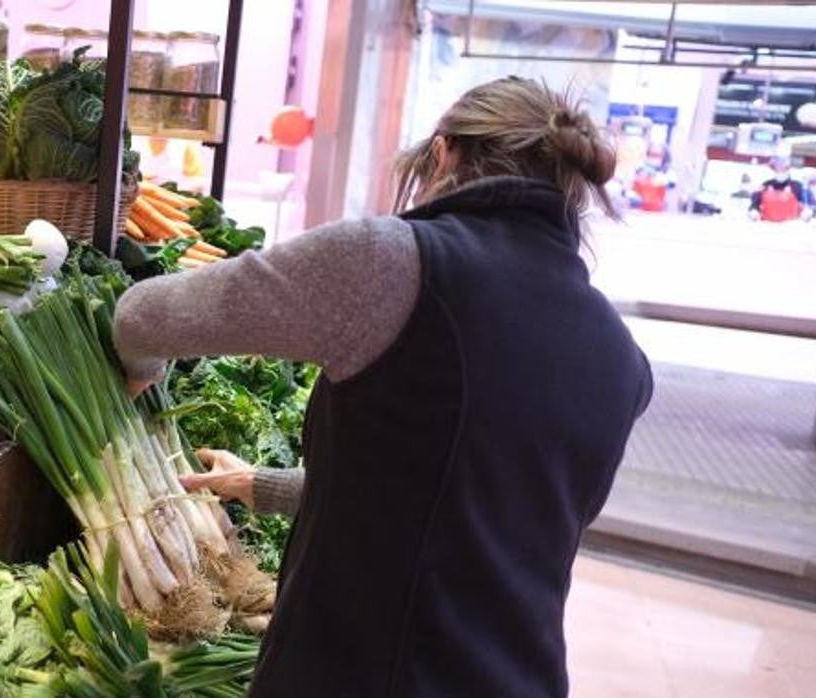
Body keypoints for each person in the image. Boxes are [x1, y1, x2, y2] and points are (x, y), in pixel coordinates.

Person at [113, 76, 653, 697]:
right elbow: (472, 513)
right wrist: (264, 486)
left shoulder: (394, 261)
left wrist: (142, 371)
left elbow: (142, 318)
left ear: (445, 153)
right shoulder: (620, 357)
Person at [750, 156, 815, 222]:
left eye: (783, 168)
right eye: (777, 168)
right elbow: (755, 202)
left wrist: (808, 211)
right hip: (766, 225)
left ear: (788, 169)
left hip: (790, 225)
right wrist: (754, 210)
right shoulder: (765, 185)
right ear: (773, 169)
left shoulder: (797, 186)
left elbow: (812, 203)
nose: (780, 171)